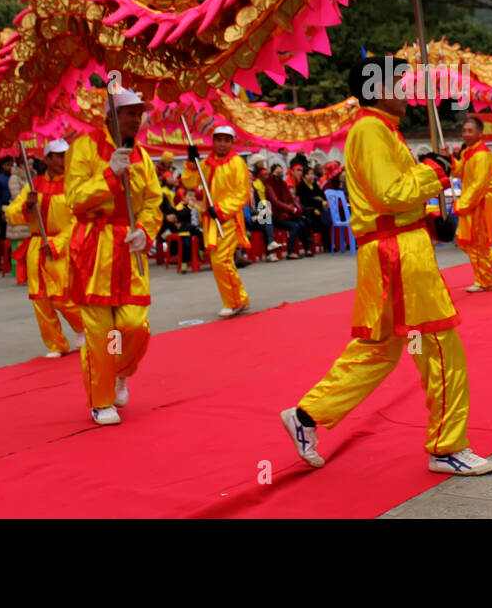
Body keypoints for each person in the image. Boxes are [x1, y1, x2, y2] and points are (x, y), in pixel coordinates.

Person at [281, 56, 492, 476]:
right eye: (400, 82)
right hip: (398, 254)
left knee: (379, 349)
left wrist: (431, 216)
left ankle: (306, 416)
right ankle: (446, 445)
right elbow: (390, 193)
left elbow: (390, 199)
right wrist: (433, 172)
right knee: (439, 349)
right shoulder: (371, 129)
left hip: (391, 247)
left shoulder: (378, 130)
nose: (407, 89)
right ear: (378, 89)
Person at [65, 88, 163, 425]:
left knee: (135, 325)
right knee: (100, 331)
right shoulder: (83, 147)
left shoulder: (144, 156)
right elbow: (74, 200)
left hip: (128, 247)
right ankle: (101, 399)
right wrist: (108, 175)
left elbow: (152, 202)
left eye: (139, 113)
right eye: (130, 113)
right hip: (94, 246)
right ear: (111, 116)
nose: (137, 119)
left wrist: (146, 230)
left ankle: (121, 371)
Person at [5, 139, 85, 357]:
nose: (63, 160)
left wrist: (58, 244)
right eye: (58, 156)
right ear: (47, 159)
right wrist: (27, 205)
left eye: (66, 155)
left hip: (62, 246)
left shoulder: (73, 184)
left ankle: (82, 327)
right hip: (36, 246)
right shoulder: (33, 185)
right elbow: (12, 214)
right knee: (40, 299)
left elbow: (77, 221)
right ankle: (56, 343)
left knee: (62, 296)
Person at [180, 126, 253, 317]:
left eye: (226, 140)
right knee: (221, 260)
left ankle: (233, 301)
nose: (222, 144)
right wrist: (191, 163)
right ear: (213, 141)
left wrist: (221, 209)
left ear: (232, 142)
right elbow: (190, 183)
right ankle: (239, 298)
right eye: (219, 139)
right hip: (211, 220)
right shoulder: (206, 163)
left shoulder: (237, 163)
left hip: (229, 218)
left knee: (221, 259)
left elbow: (242, 193)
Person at [452, 115, 492, 293]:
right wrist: (450, 160)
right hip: (471, 203)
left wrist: (462, 205)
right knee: (465, 241)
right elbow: (461, 173)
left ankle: (485, 280)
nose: (466, 134)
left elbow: (479, 185)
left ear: (480, 133)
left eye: (470, 131)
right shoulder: (468, 152)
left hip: (479, 204)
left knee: (476, 242)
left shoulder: (482, 155)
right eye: (464, 131)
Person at [266, 163, 310, 258]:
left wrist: (296, 207)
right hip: (274, 215)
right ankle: (290, 252)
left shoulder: (283, 183)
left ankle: (306, 248)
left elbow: (291, 198)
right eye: (277, 172)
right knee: (295, 226)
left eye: (281, 172)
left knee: (304, 222)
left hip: (285, 214)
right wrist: (292, 209)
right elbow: (275, 202)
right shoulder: (269, 185)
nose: (279, 174)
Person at [296, 166, 332, 251]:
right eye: (308, 174)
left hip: (319, 207)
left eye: (312, 174)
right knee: (323, 215)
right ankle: (325, 242)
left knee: (327, 213)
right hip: (309, 210)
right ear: (304, 176)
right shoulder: (301, 186)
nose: (310, 176)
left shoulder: (314, 184)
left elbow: (321, 195)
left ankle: (327, 242)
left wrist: (322, 201)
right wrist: (319, 202)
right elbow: (306, 200)